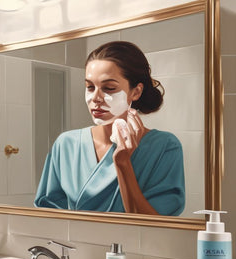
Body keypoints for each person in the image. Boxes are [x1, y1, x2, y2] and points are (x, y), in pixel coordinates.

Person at [34, 41, 185, 216]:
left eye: (109, 88)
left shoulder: (164, 147)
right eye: (90, 87)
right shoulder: (66, 143)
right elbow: (47, 215)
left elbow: (157, 226)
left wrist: (123, 163)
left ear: (135, 92)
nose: (95, 98)